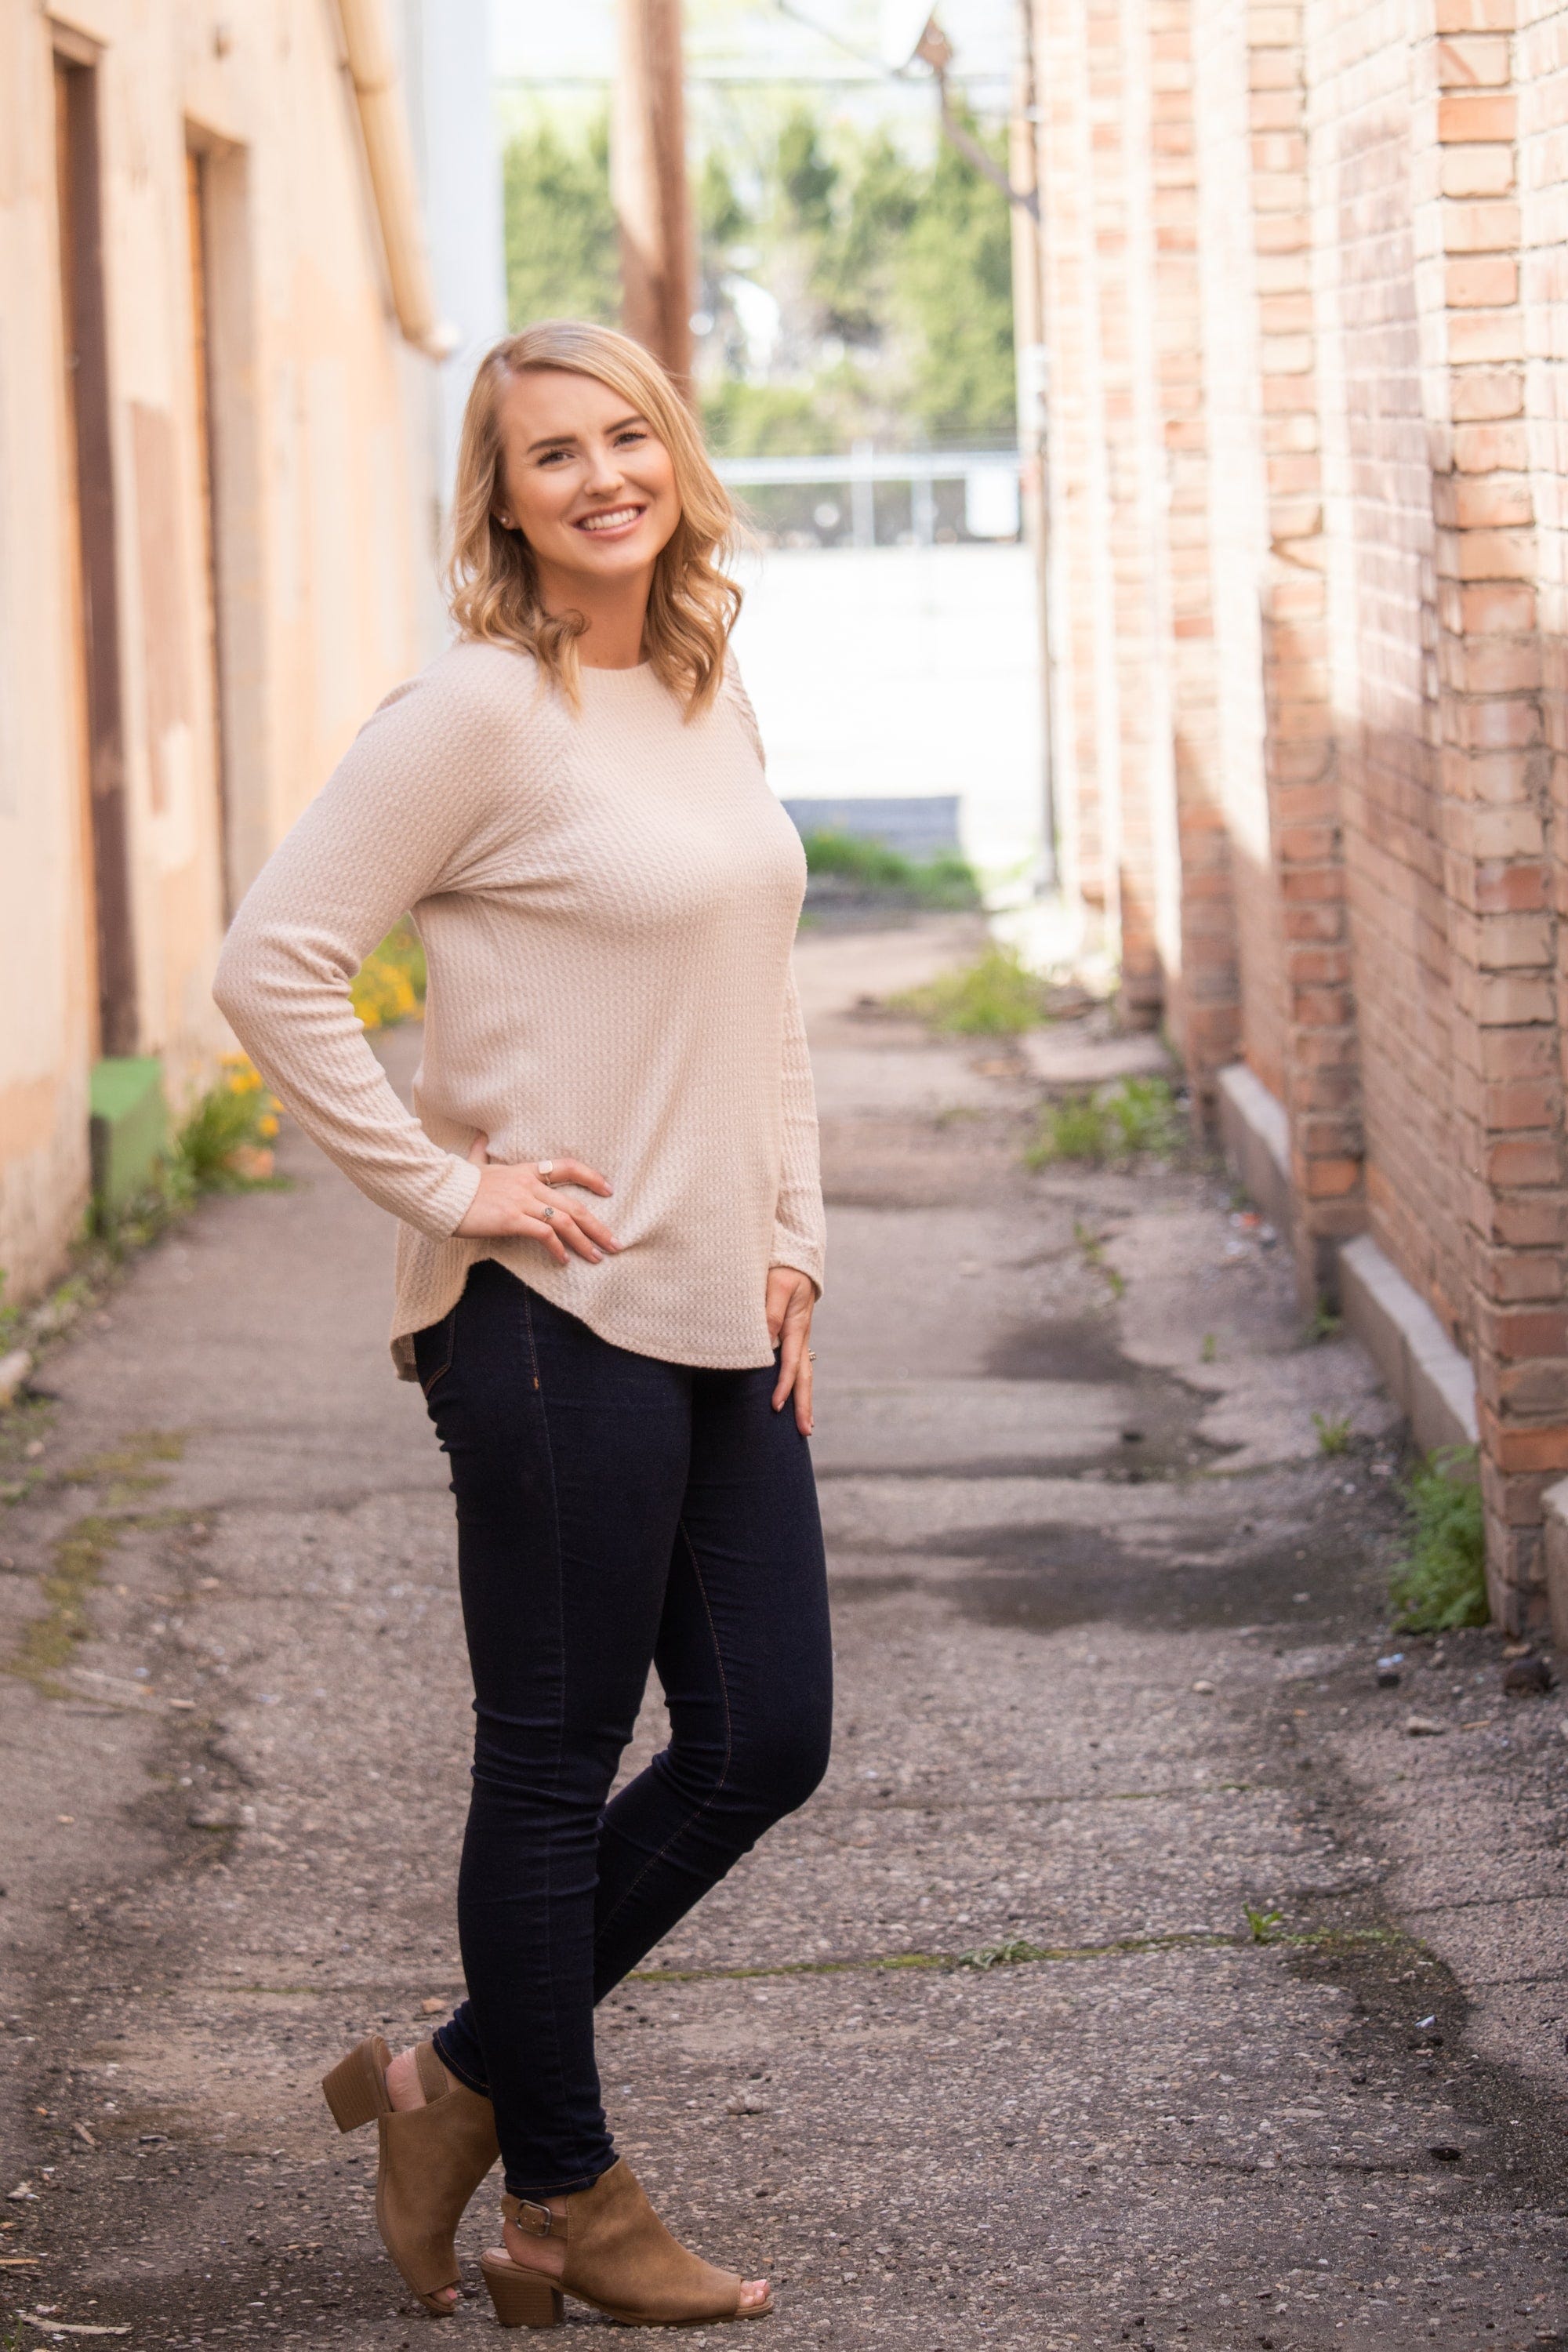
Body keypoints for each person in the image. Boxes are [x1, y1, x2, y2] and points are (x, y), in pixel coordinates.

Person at [213, 320, 833, 2329]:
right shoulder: (474, 716)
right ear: (500, 502)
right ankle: (561, 2194)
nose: (597, 475)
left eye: (624, 433)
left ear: (676, 453)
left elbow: (763, 993)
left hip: (719, 1306)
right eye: (548, 453)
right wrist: (443, 1182)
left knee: (766, 1738)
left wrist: (795, 1238)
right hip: (548, 1319)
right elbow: (276, 963)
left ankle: (452, 2076)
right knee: (553, 1764)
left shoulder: (699, 686)